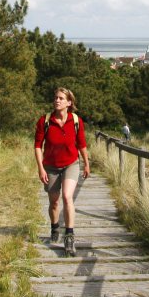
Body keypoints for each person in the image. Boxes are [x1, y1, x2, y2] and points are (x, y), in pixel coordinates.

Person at [34, 87, 90, 256]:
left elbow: (81, 144)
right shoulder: (44, 121)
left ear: (69, 102)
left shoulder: (76, 121)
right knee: (54, 202)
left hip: (71, 164)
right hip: (50, 167)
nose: (57, 100)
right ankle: (54, 227)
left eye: (61, 98)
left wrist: (86, 164)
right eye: (55, 98)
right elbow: (37, 146)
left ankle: (69, 237)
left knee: (67, 197)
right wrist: (40, 168)